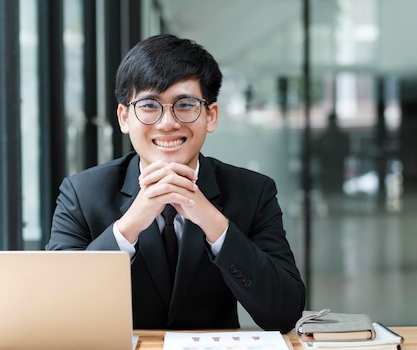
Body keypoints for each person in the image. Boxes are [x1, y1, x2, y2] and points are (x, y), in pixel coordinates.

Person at [46, 34, 306, 332]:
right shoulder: (81, 193)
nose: (167, 122)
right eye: (149, 105)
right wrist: (129, 226)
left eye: (184, 105)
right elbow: (57, 306)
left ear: (211, 115)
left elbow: (285, 312)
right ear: (124, 117)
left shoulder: (254, 192)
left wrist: (212, 222)